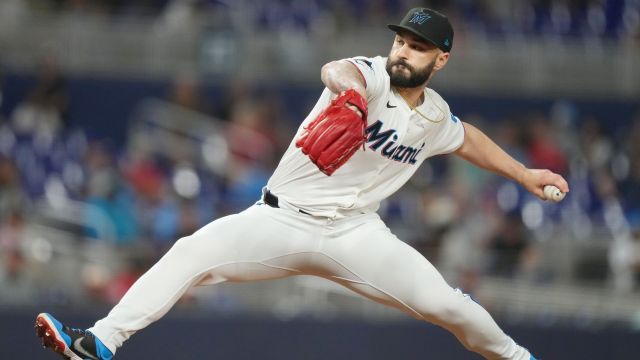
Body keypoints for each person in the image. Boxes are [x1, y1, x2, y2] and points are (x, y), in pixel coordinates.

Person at [35, 8, 568, 360]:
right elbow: (336, 69)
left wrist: (523, 174)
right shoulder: (373, 73)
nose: (404, 51)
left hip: (357, 236)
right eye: (402, 40)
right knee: (189, 251)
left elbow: (466, 137)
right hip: (280, 219)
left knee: (450, 306)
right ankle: (99, 343)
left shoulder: (434, 116)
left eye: (419, 46)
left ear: (441, 59)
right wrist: (355, 95)